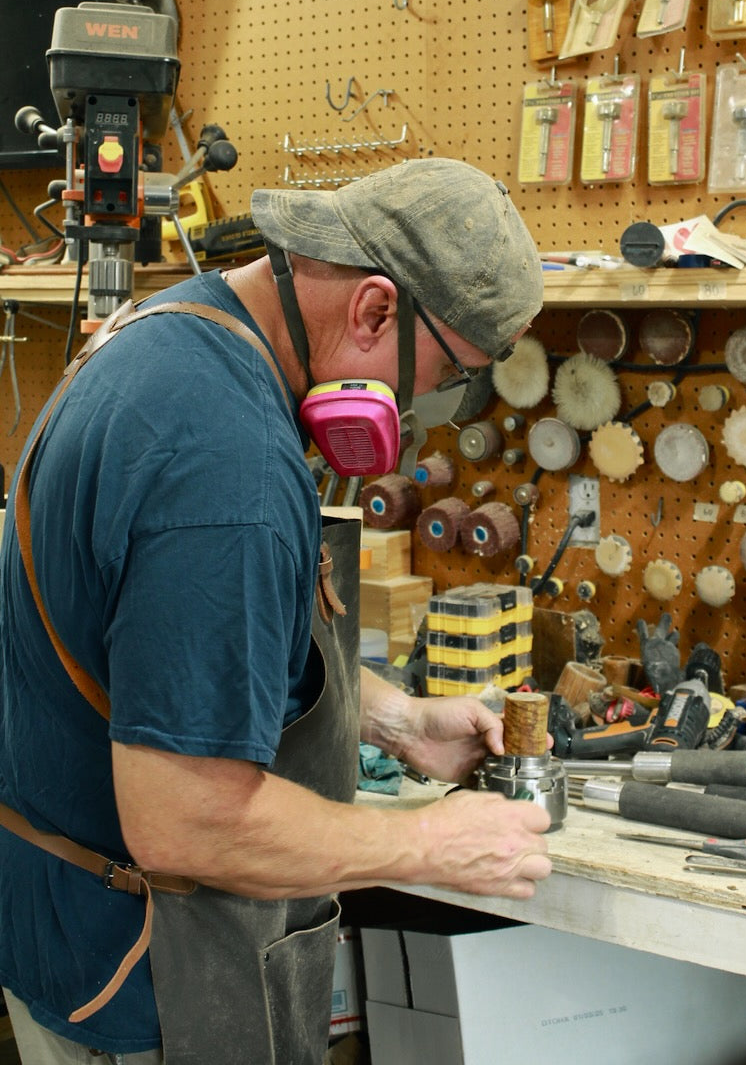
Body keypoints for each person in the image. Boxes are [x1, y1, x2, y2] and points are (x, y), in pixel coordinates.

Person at [0, 156, 551, 1065]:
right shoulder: (228, 461)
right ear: (376, 309)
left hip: (60, 931)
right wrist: (426, 843)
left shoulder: (169, 331)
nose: (426, 410)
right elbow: (186, 818)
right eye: (448, 376)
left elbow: (170, 650)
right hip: (146, 985)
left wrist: (398, 719)